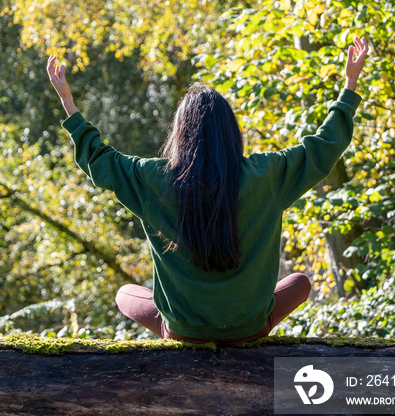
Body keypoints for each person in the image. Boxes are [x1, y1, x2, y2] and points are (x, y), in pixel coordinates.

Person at [46, 36, 368, 343]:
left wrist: (68, 104)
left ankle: (187, 329)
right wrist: (349, 88)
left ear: (179, 133)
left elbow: (101, 161)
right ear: (231, 133)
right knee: (300, 283)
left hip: (183, 332)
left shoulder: (152, 179)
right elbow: (322, 149)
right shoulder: (265, 175)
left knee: (125, 295)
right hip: (249, 330)